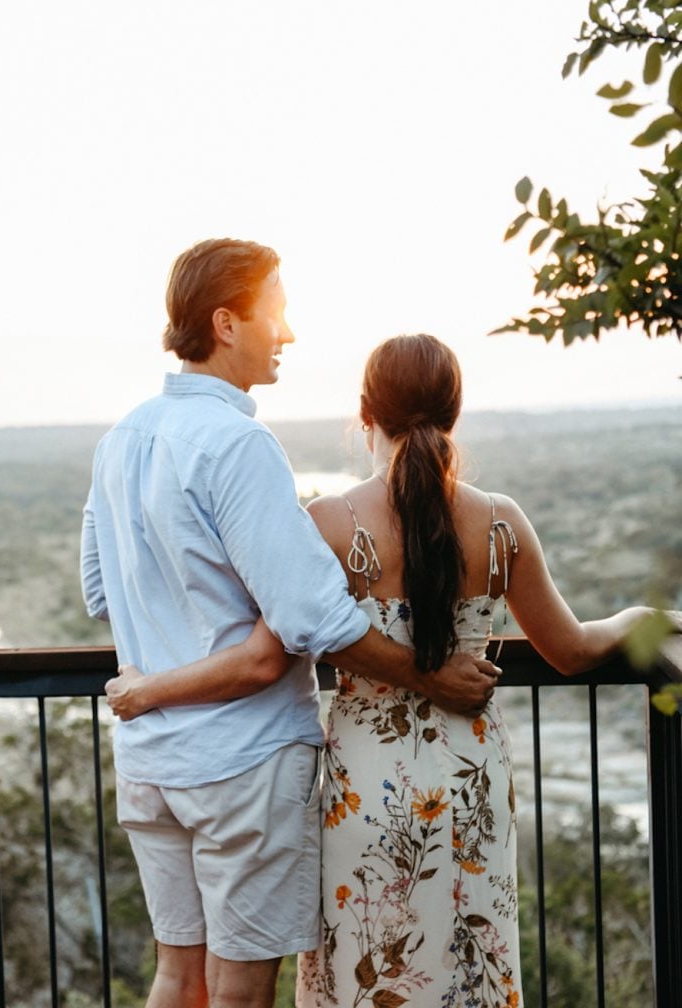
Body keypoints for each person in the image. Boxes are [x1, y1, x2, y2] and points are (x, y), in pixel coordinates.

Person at [105, 331, 678, 1008]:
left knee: (370, 962)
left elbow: (269, 649)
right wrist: (641, 617)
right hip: (472, 777)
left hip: (367, 785)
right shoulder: (501, 524)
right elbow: (573, 650)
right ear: (454, 413)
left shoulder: (328, 524)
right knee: (471, 962)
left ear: (365, 413)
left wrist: (149, 685)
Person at [80, 242, 498, 1008]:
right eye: (277, 313)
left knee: (178, 975)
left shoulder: (122, 440)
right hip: (240, 764)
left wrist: (163, 659)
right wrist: (428, 672)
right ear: (226, 321)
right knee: (239, 990)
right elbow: (311, 616)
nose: (290, 333)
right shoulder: (238, 444)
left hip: (150, 761)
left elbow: (101, 590)